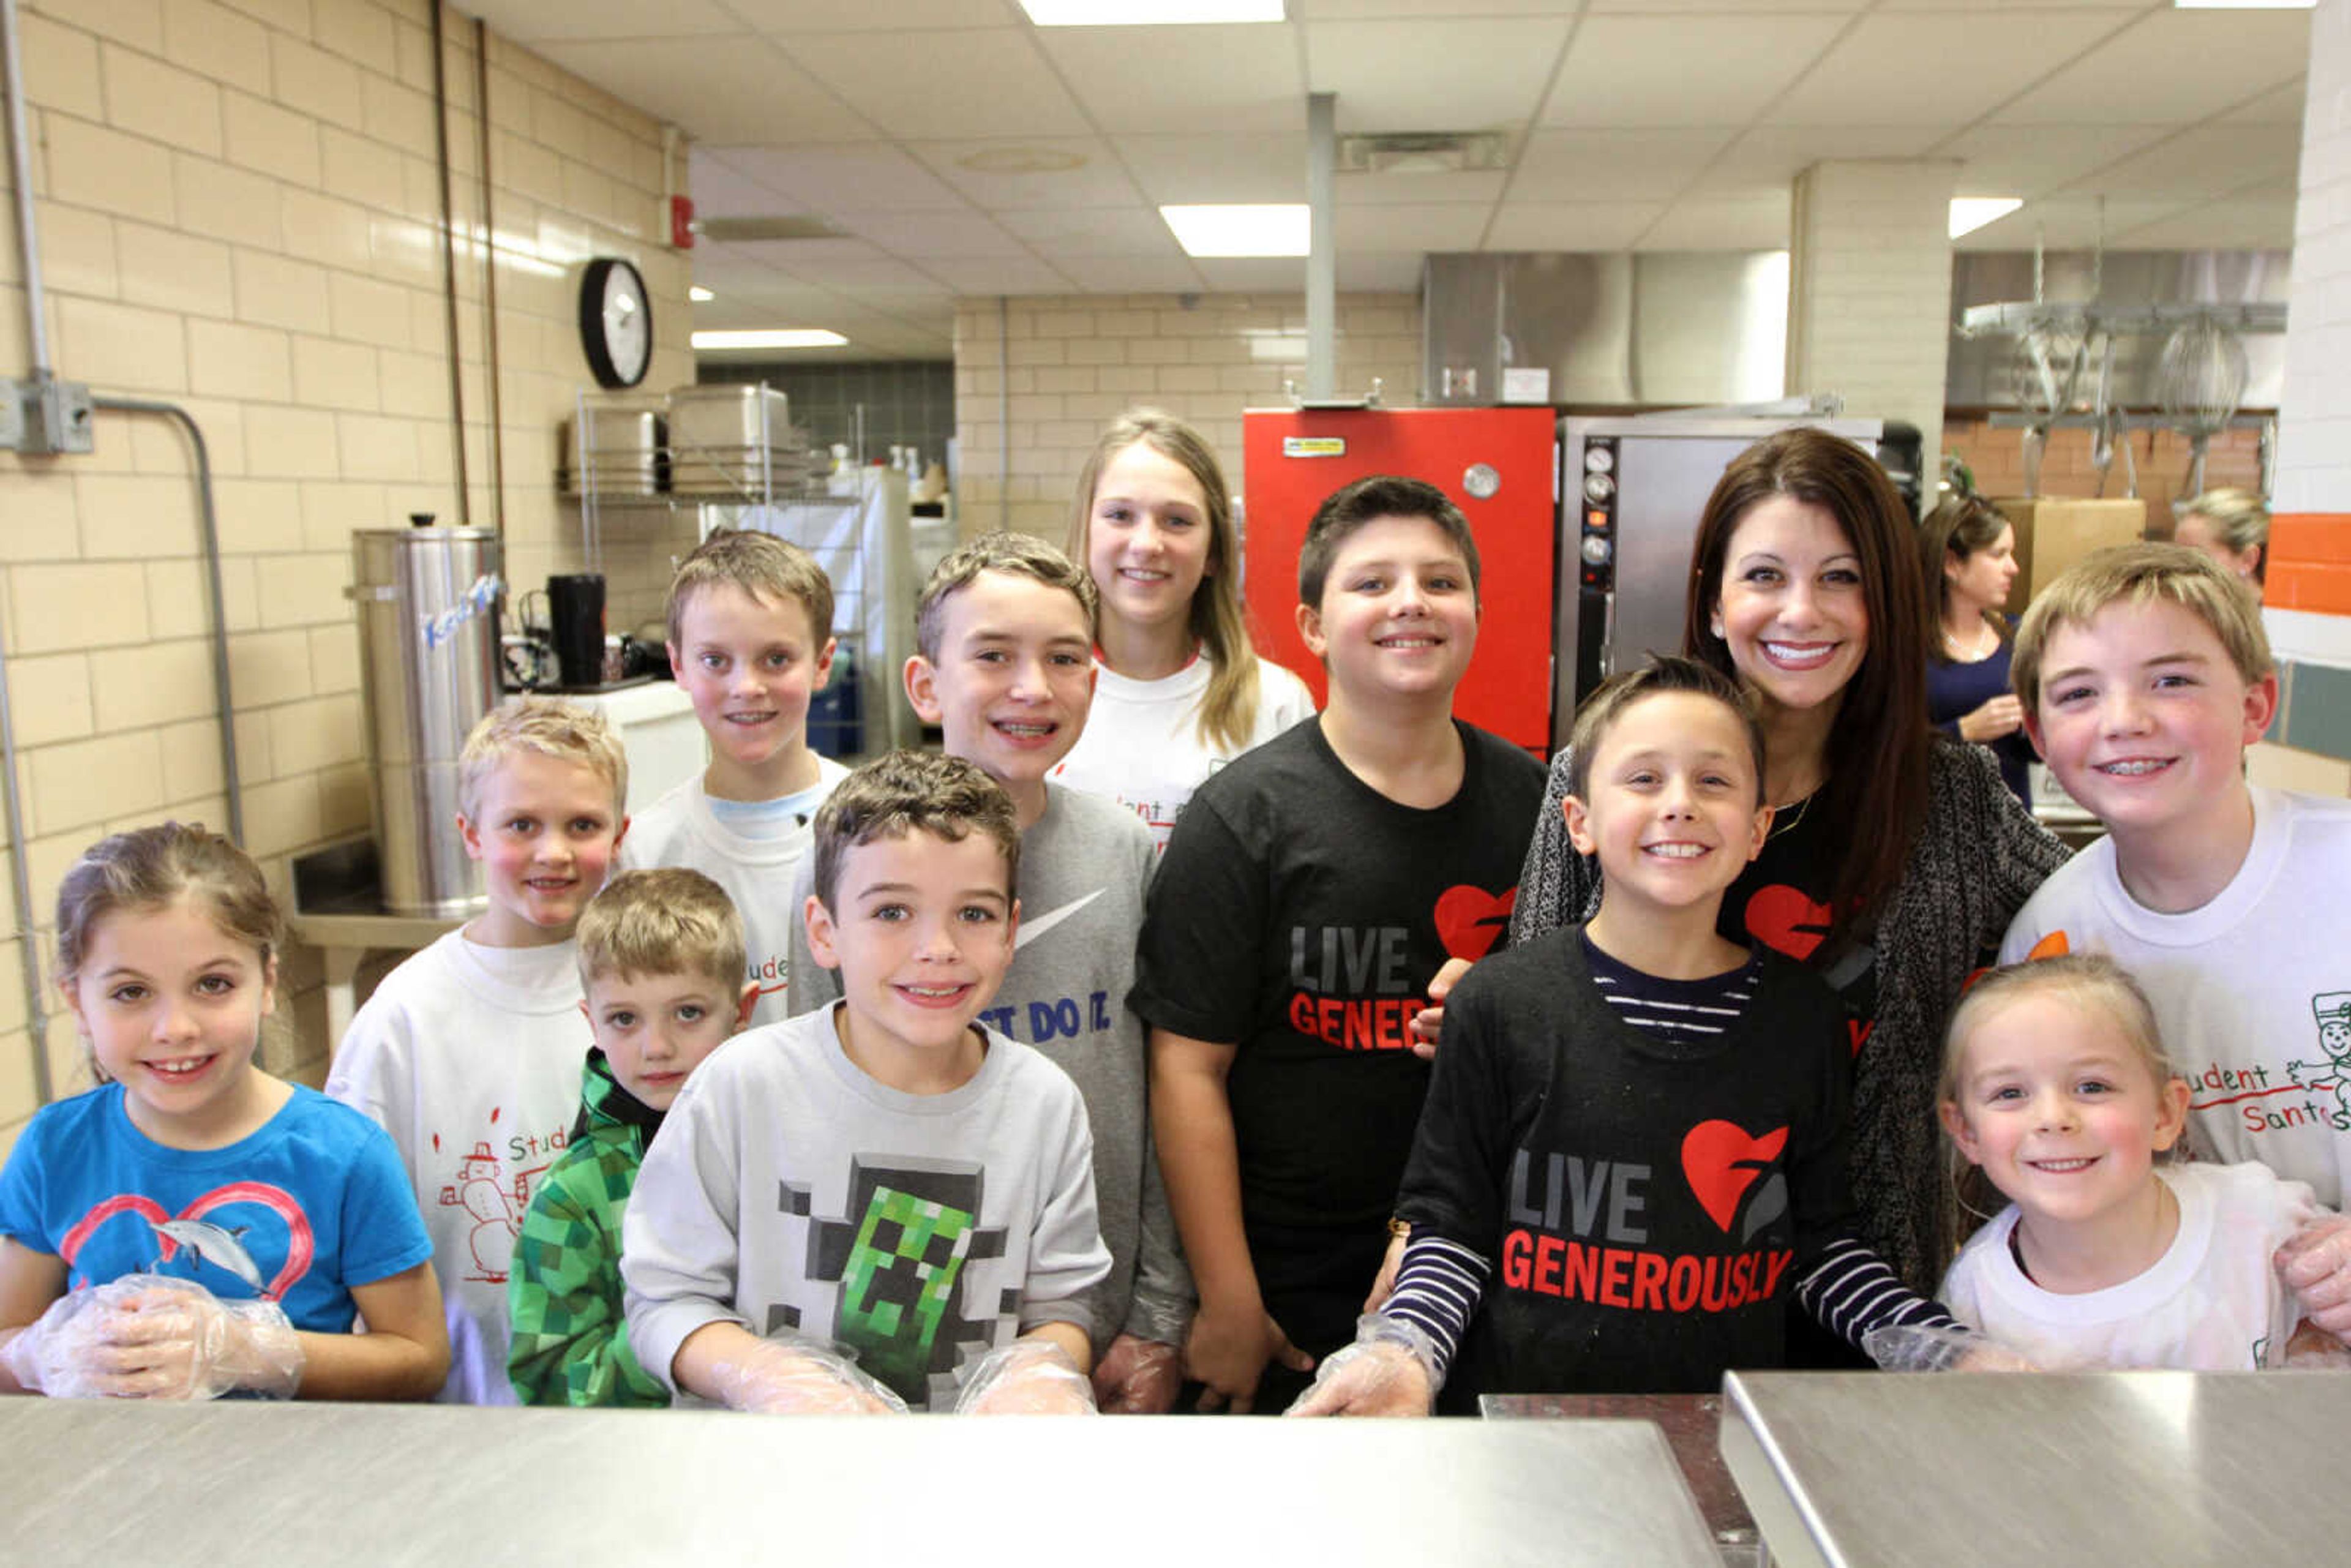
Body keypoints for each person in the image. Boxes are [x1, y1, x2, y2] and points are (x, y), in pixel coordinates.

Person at [1292, 660, 1959, 1416]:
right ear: (1577, 822)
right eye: (1643, 779)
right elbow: (1453, 1232)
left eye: (1714, 782)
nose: (1679, 805)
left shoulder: (1803, 1019)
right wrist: (1405, 1351)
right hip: (1519, 1436)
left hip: (1719, 1437)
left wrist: (1936, 1346)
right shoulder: (1500, 1004)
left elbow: (1819, 1243)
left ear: (1757, 829)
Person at [1511, 428, 2071, 1303]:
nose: (1801, 612)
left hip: (1870, 1292)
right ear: (1712, 600)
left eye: (1840, 578)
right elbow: (1527, 1021)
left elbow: (2101, 933)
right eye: (1765, 576)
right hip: (1620, 1277)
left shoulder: (1954, 799)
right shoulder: (1604, 769)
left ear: (1886, 600)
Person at [1134, 475, 1549, 1413]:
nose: (1410, 600)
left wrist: (1496, 1020)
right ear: (1314, 626)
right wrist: (1231, 1300)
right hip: (1288, 1295)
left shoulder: (1537, 807)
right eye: (1373, 583)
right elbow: (1186, 1070)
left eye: (1440, 582)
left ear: (1477, 612)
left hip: (1485, 1275)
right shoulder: (1245, 818)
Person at [784, 532, 1192, 1413]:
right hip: (875, 1341)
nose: (1032, 687)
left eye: (1064, 657)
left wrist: (1159, 1313)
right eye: (994, 656)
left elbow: (1159, 1087)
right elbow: (804, 1104)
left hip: (1085, 1317)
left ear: (1097, 678)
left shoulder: (1122, 850)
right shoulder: (847, 854)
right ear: (926, 684)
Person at [623, 751, 1111, 1414]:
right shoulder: (742, 1087)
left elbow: (1064, 1306)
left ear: (1011, 930)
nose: (936, 947)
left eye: (974, 913)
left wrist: (1043, 1371)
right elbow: (663, 1301)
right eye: (891, 912)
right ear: (824, 931)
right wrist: (761, 1373)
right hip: (763, 1486)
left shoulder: (1044, 1105)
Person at [2000, 547, 2351, 1280]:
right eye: (2077, 694)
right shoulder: (2053, 939)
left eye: (2172, 680)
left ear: (2256, 705)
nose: (2124, 720)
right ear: (2037, 737)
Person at [0, 823, 446, 1401]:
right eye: (131, 992)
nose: (176, 1029)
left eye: (213, 984)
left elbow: (420, 1359)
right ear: (76, 1003)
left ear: (266, 982)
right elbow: (7, 1345)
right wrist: (47, 1353)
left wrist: (252, 1352)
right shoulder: (53, 1150)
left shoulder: (344, 1154)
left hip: (294, 1478)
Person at [327, 697, 628, 1404]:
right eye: (521, 824)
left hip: (625, 1398)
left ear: (621, 835)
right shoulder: (405, 1017)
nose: (552, 851)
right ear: (470, 832)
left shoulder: (646, 991)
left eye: (582, 825)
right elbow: (348, 1226)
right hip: (462, 1402)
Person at [1938, 955, 2341, 1370]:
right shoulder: (1975, 1297)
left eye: (2092, 1086)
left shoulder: (2263, 1220)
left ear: (2165, 1114)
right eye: (2009, 1093)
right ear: (1967, 1132)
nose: (2053, 1119)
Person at [507, 869, 756, 1406]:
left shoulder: (782, 1151)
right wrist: (683, 1340)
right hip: (636, 1467)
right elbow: (549, 1378)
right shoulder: (572, 1197)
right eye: (624, 1019)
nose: (657, 1046)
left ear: (743, 1011)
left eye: (688, 1013)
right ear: (591, 1021)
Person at [1051, 409, 1315, 850]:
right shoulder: (1037, 696)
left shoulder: (1276, 704)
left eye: (1177, 521)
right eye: (1120, 515)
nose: (1146, 544)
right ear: (1086, 533)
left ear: (1213, 551)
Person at [620, 528, 844, 1024]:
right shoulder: (647, 853)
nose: (746, 687)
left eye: (777, 659)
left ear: (822, 663)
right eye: (715, 661)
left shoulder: (873, 825)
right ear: (679, 665)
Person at [1922, 494, 2034, 805]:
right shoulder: (1906, 649)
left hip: (2010, 831)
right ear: (1952, 563)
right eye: (1998, 555)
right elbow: (1881, 752)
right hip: (1935, 828)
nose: (2013, 568)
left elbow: (2036, 752)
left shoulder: (2018, 637)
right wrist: (1963, 730)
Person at [2173, 487, 2268, 599]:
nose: (2179, 569)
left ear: (2248, 559)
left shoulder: (2278, 614)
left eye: (2198, 557)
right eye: (2179, 556)